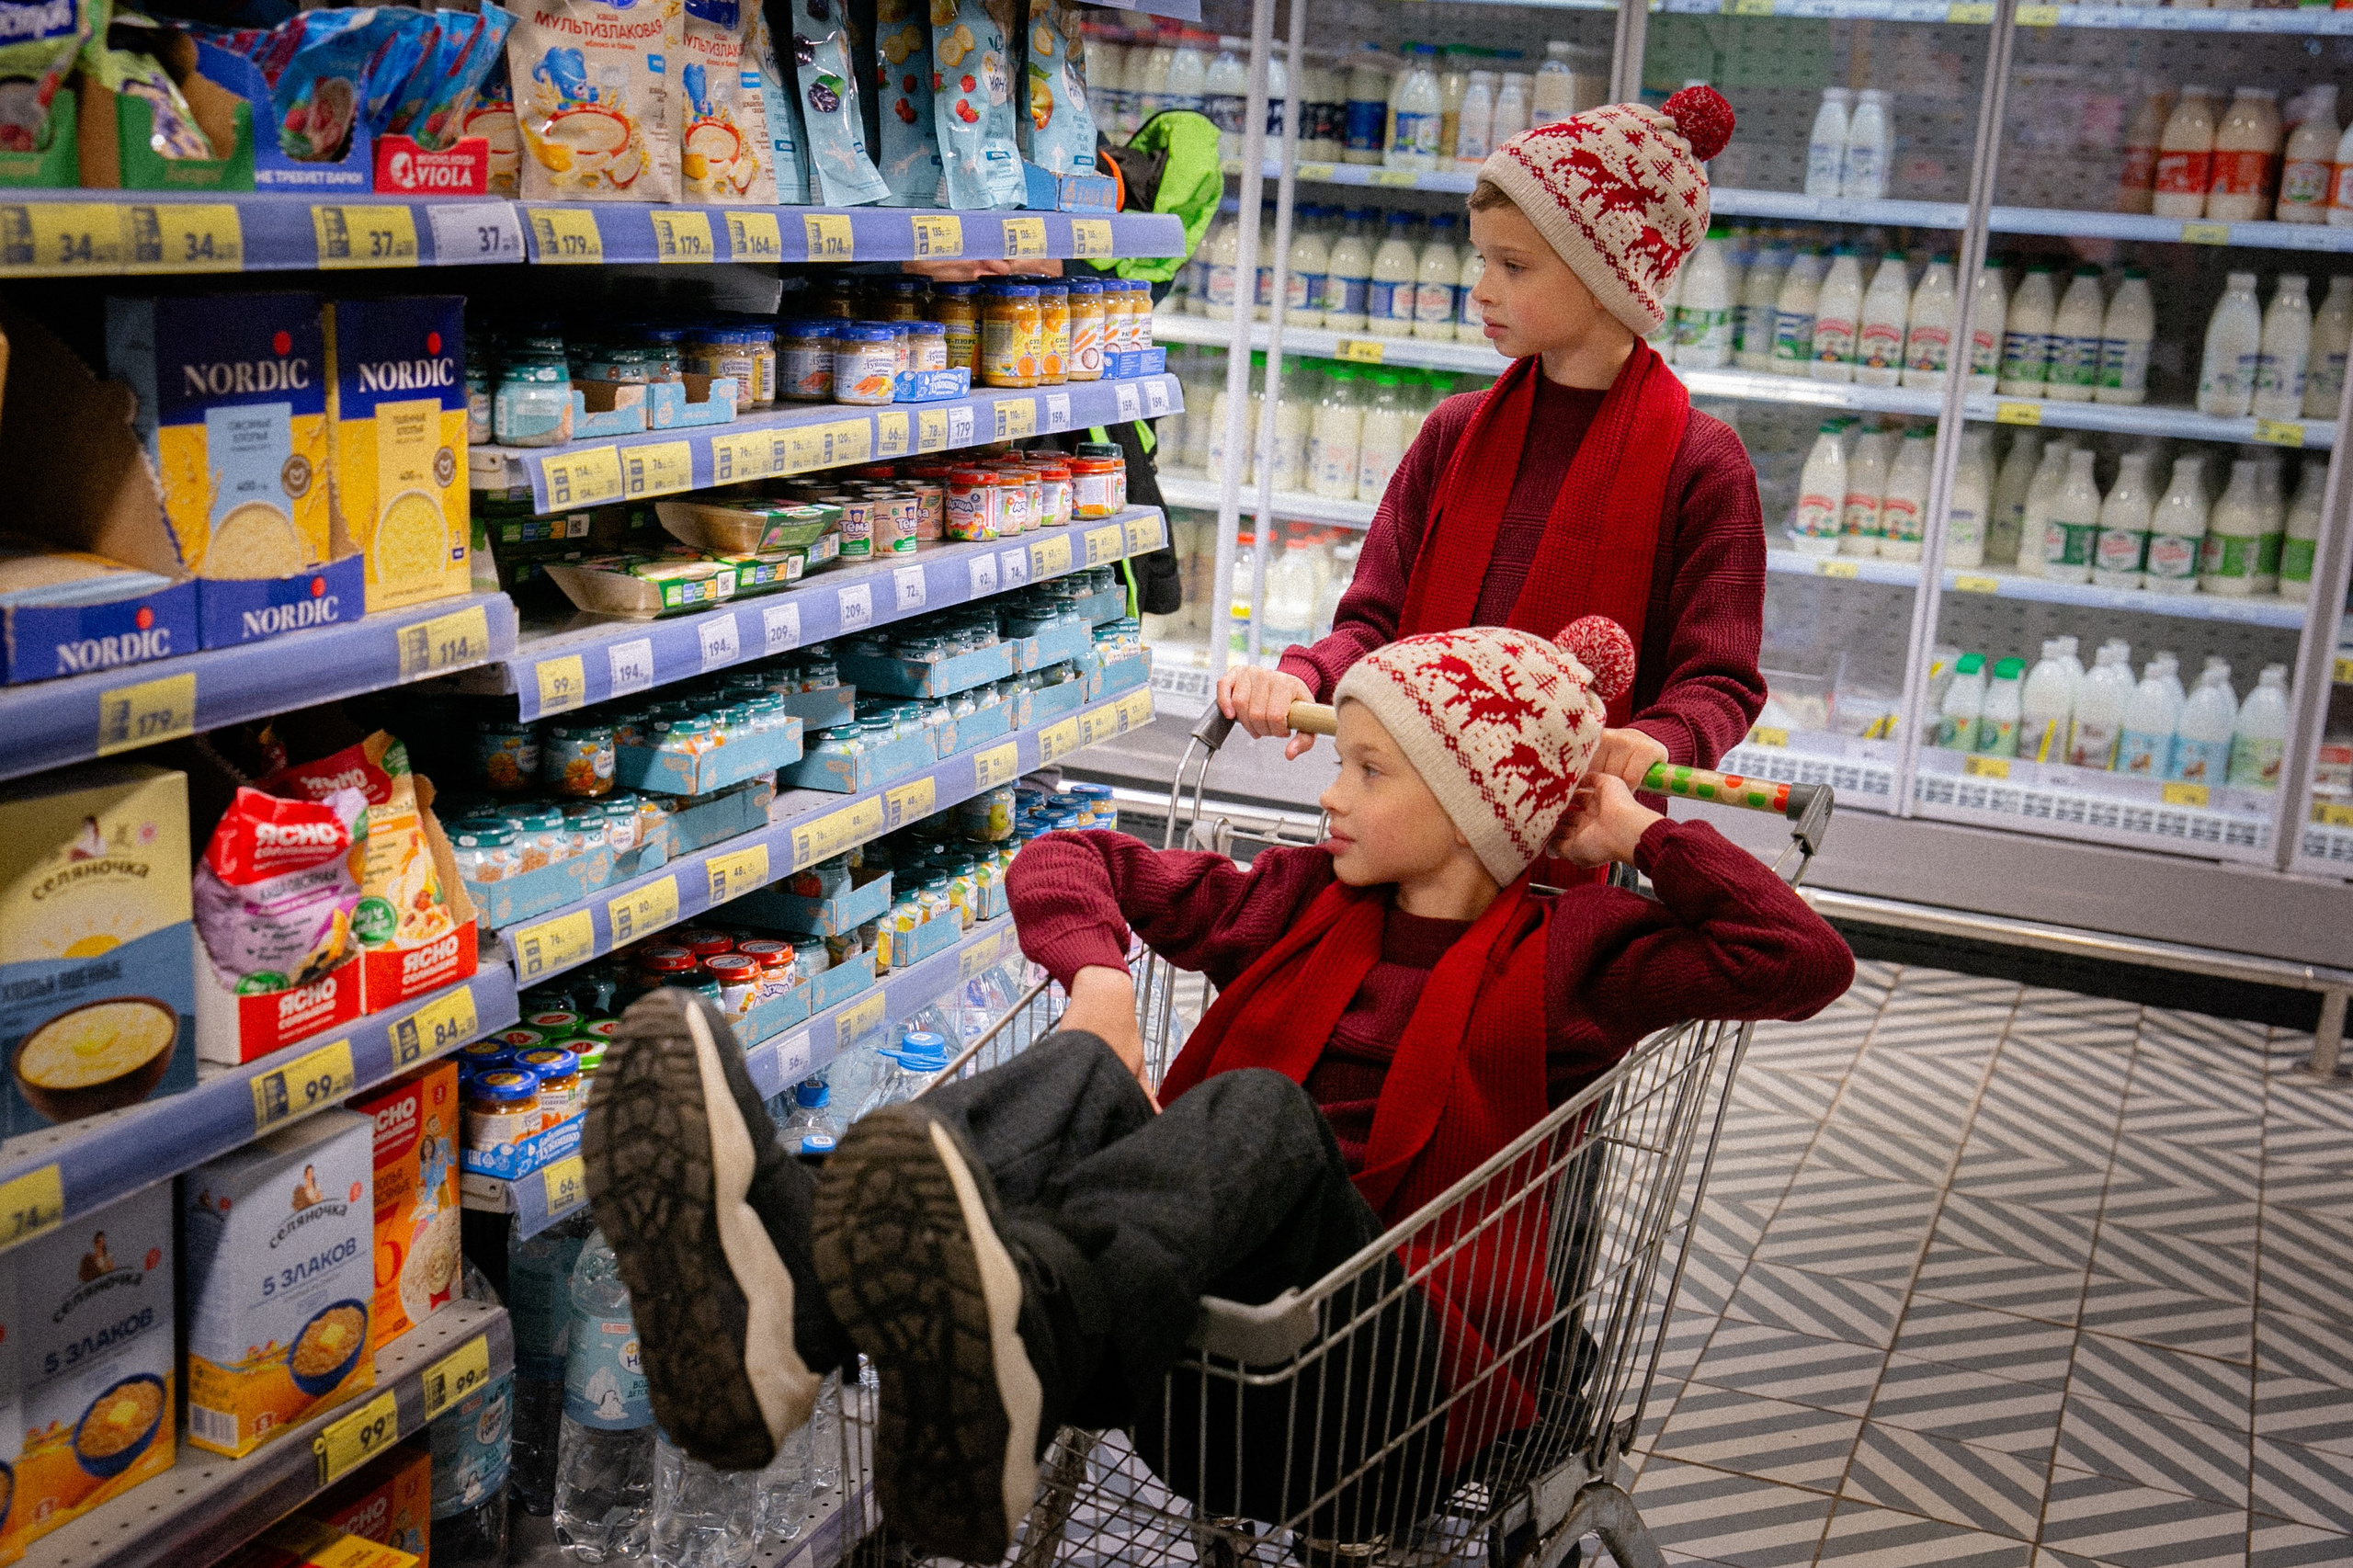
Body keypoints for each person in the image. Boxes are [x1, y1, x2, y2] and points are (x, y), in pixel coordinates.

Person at [580, 617, 1851, 1565]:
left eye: (1367, 770)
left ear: (1476, 806)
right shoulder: (1297, 898)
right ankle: (791, 1311)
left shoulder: (1572, 957)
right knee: (1088, 1073)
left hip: (1387, 1403)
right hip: (1182, 1356)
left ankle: (1013, 1343)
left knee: (1261, 1112)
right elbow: (1071, 855)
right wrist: (1103, 987)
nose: (1329, 793)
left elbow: (1799, 960)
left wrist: (1635, 833)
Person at [1219, 85, 1767, 794]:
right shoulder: (1456, 431)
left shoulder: (1702, 462)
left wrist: (1660, 739)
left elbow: (1719, 678)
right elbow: (1374, 621)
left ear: (1608, 280)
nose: (1480, 289)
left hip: (1586, 828)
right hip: (1411, 824)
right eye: (1481, 260)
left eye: (1512, 266)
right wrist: (1302, 675)